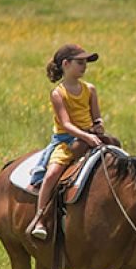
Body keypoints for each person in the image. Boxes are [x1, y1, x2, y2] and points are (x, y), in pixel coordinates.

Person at [27, 44, 107, 241]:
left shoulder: (90, 89)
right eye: (80, 62)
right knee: (52, 173)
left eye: (85, 63)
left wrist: (98, 125)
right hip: (68, 140)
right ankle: (40, 217)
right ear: (66, 64)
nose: (84, 66)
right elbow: (66, 124)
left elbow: (96, 116)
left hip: (90, 136)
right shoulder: (58, 93)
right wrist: (86, 137)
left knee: (120, 155)